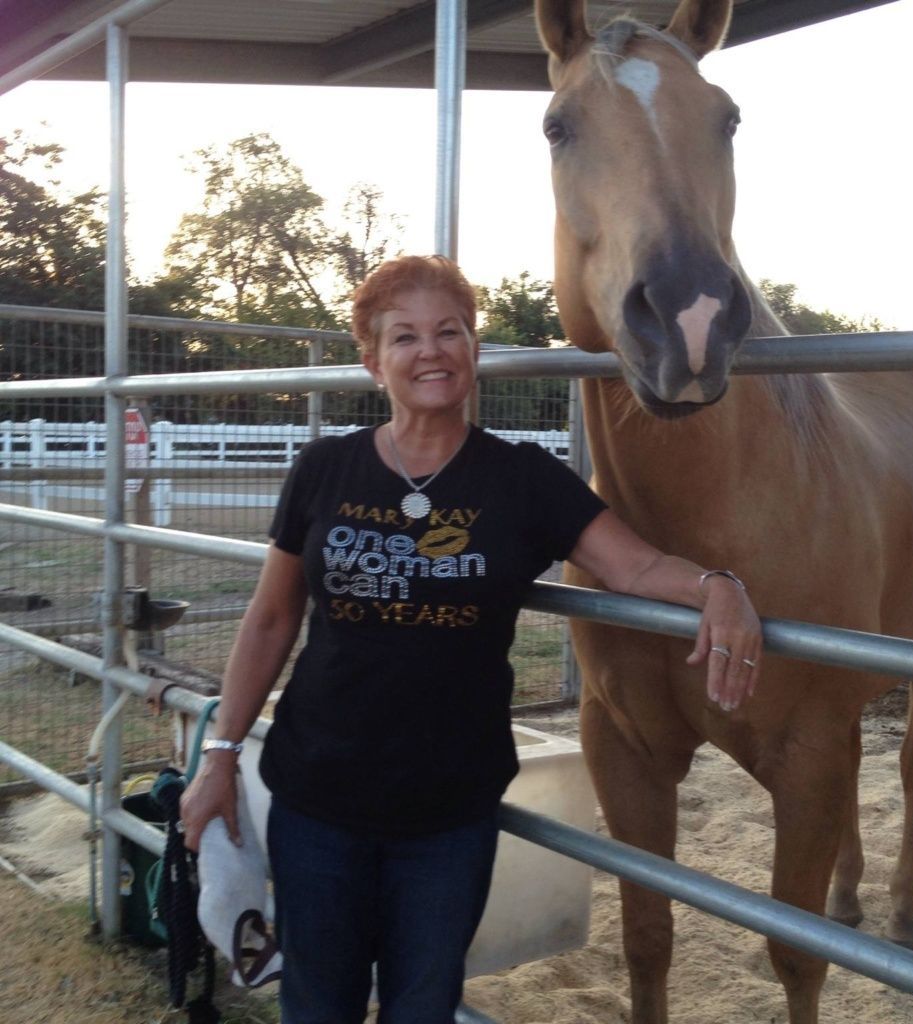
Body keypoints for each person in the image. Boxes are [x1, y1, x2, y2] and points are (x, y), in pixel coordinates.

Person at [180, 254, 762, 1024]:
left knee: (424, 1005)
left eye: (449, 332)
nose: (431, 351)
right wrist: (218, 758)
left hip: (448, 811)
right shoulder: (326, 468)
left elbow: (637, 564)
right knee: (318, 1002)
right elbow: (270, 620)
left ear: (473, 350)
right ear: (372, 359)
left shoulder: (522, 480)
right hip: (320, 799)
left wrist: (717, 586)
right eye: (406, 336)